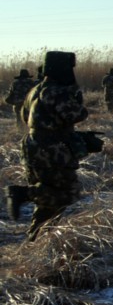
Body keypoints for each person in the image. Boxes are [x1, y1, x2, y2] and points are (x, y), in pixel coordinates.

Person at [5, 51, 102, 240]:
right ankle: (23, 193)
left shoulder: (35, 90)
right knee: (66, 193)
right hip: (52, 150)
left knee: (48, 201)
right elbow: (77, 115)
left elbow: (28, 118)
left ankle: (37, 239)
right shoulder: (57, 91)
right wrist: (77, 98)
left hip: (33, 145)